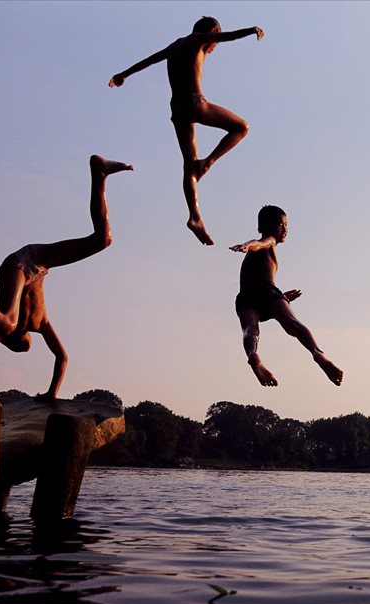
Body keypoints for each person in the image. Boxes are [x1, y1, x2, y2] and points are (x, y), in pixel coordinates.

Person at [0, 155, 133, 405]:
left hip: (22, 263)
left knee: (6, 321)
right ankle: (99, 174)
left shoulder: (7, 328)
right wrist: (51, 394)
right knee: (103, 239)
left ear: (19, 340)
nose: (30, 344)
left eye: (25, 345)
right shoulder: (41, 323)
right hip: (39, 263)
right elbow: (62, 357)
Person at [109, 16, 264, 246]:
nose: (212, 50)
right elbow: (228, 35)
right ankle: (209, 162)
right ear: (211, 33)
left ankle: (195, 216)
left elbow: (149, 60)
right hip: (194, 102)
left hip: (177, 108)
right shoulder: (200, 38)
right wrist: (252, 30)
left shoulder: (175, 46)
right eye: (214, 45)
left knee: (188, 164)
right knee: (242, 127)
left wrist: (124, 74)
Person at [230, 206, 343, 387]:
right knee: (294, 325)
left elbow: (256, 276)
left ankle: (253, 357)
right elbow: (258, 243)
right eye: (280, 225)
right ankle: (317, 353)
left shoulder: (261, 252)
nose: (285, 230)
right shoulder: (269, 241)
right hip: (267, 292)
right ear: (265, 227)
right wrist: (246, 246)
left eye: (286, 225)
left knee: (250, 330)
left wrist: (283, 297)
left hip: (246, 297)